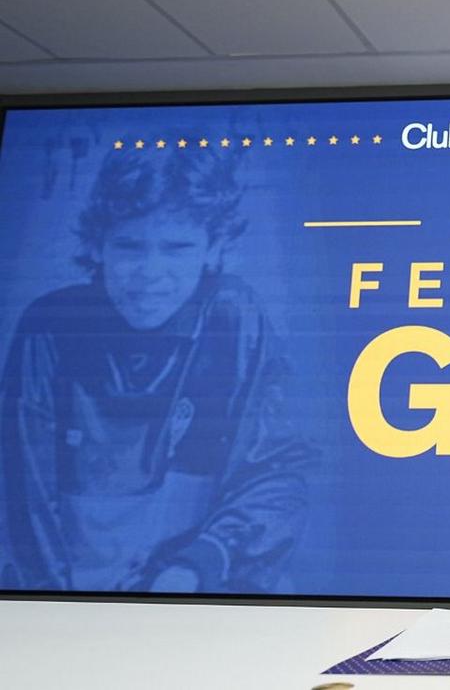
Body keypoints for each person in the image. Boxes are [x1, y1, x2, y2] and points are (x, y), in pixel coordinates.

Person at [0, 147, 316, 593]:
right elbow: (23, 504)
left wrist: (194, 568)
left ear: (213, 247)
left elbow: (278, 474)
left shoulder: (235, 317)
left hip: (200, 598)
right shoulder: (49, 324)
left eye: (177, 248)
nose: (150, 272)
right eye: (129, 246)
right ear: (97, 245)